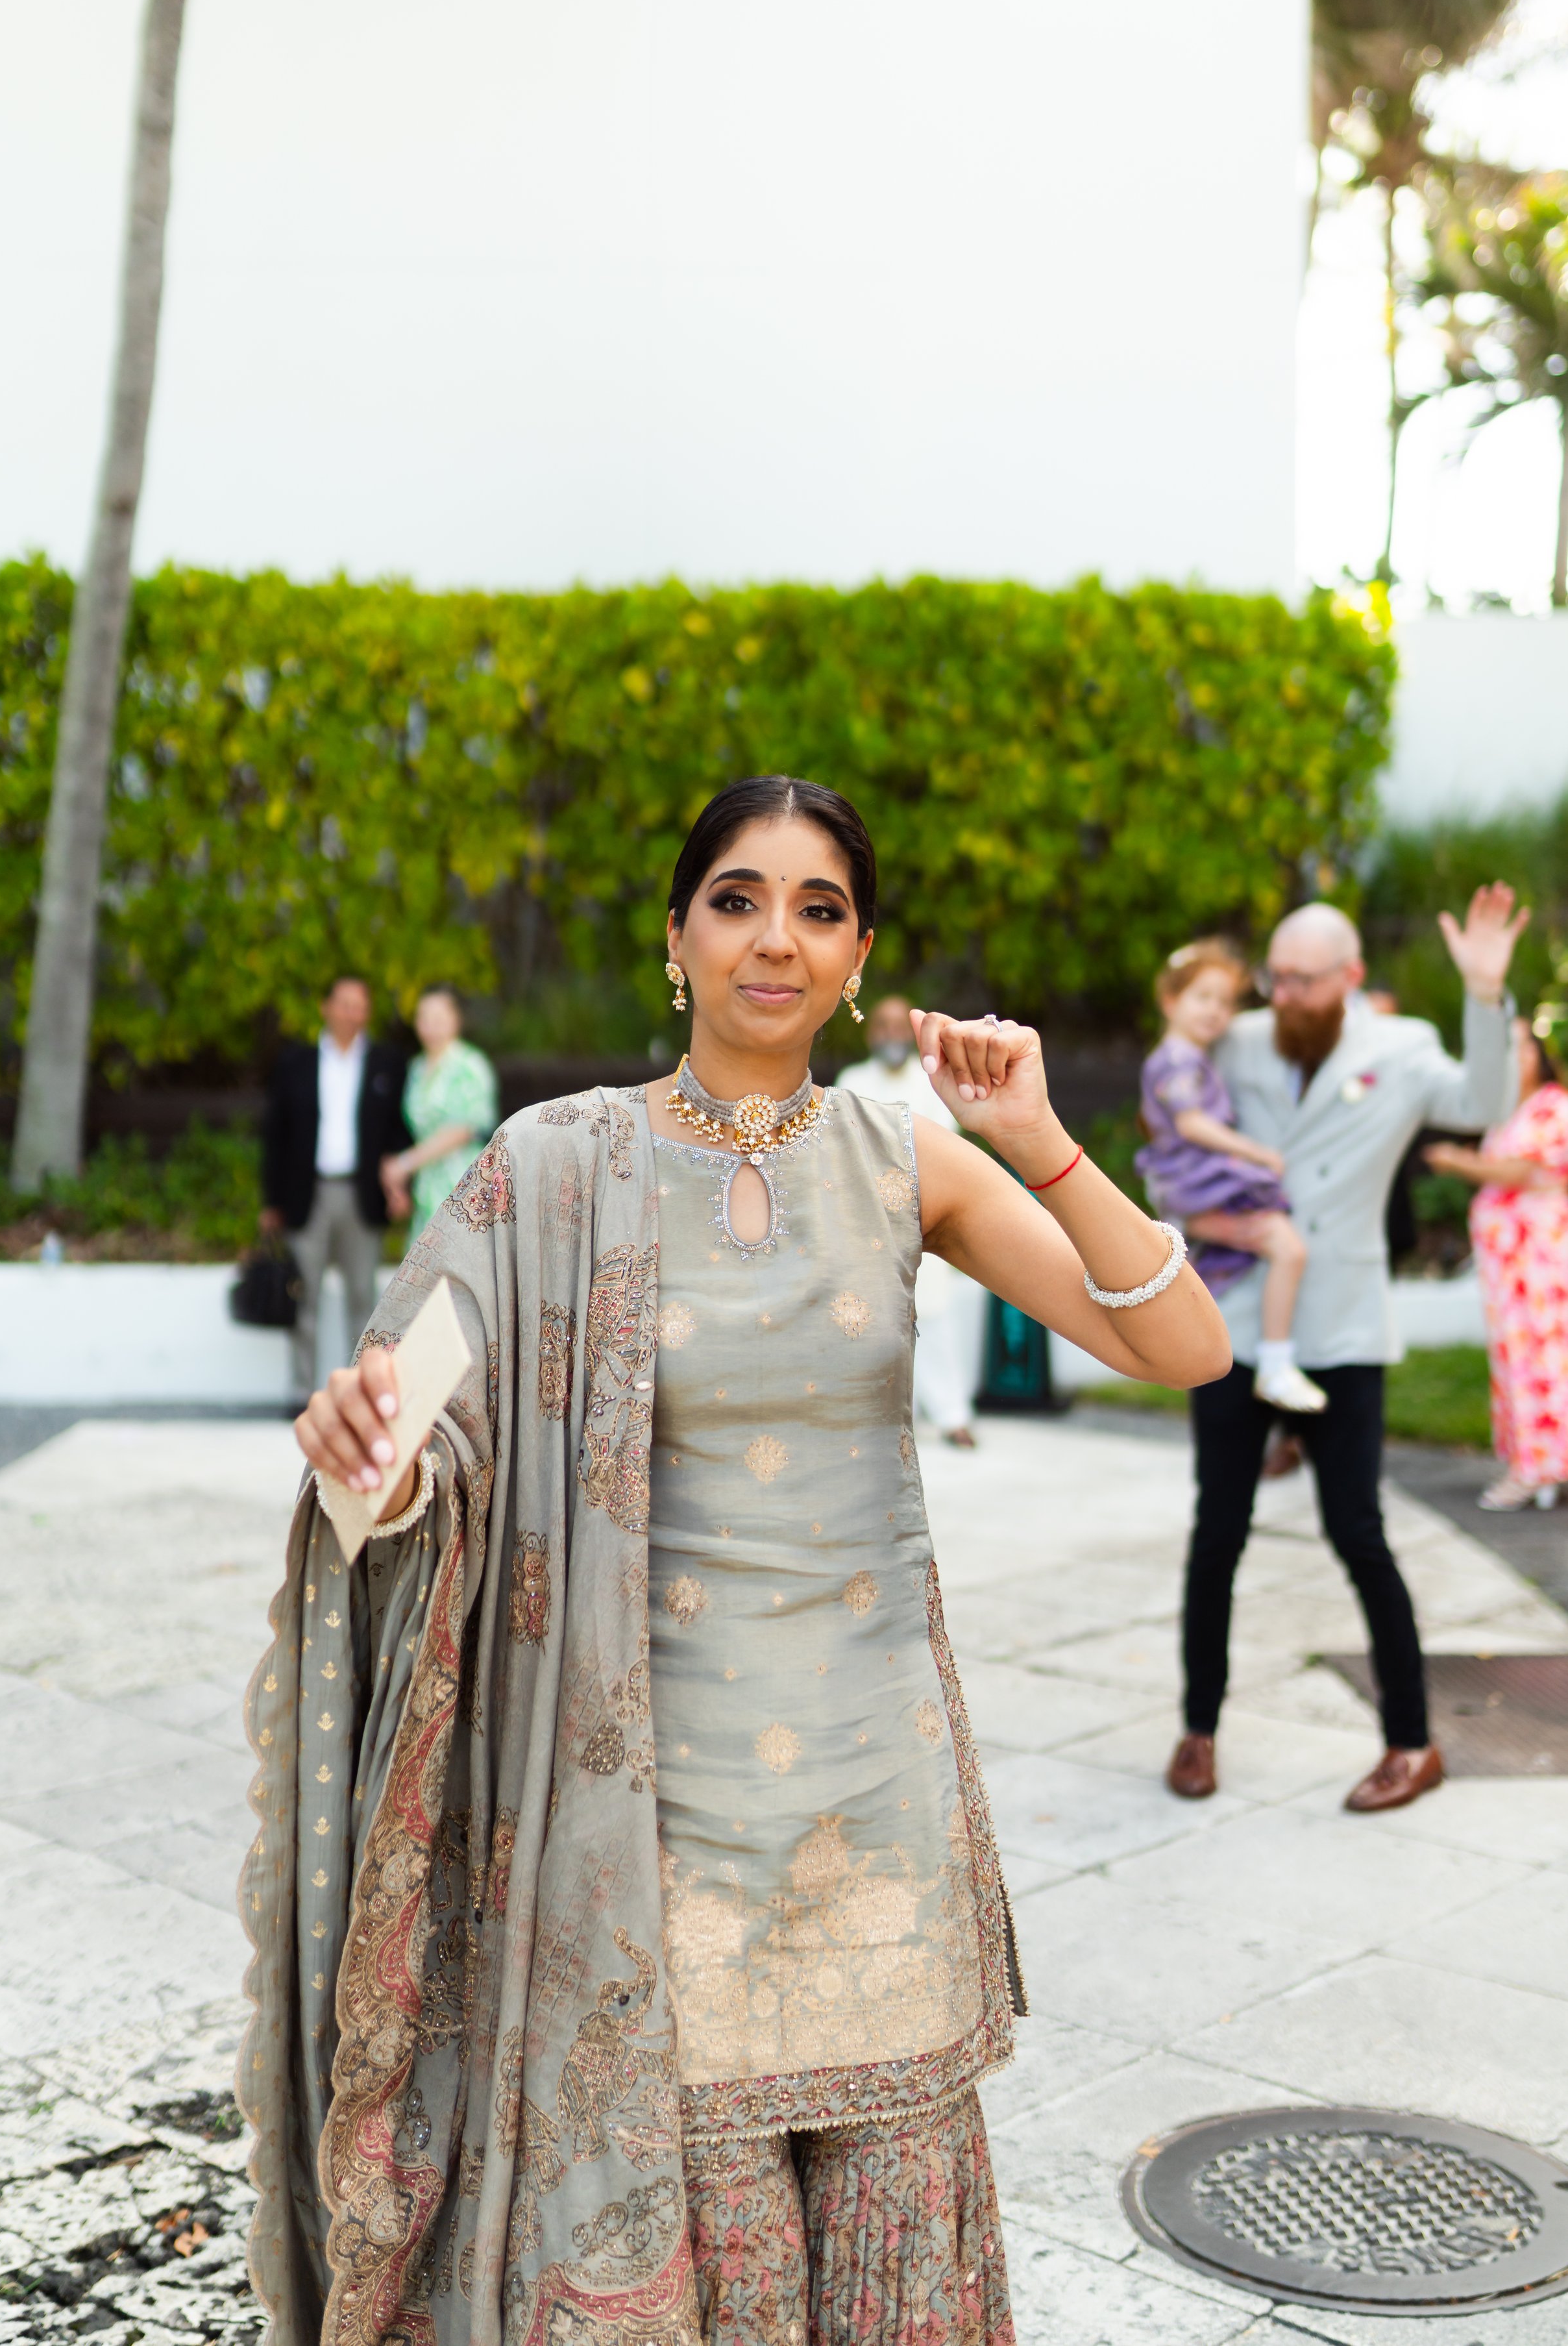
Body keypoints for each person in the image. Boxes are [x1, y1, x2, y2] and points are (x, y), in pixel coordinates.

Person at [243, 775, 1229, 2346]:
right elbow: (421, 1447)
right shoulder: (553, 1166)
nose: (777, 936)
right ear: (677, 938)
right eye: (739, 898)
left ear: (858, 958)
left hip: (882, 1815)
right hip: (656, 1845)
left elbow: (1184, 1342)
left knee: (899, 2278)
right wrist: (375, 1458)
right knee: (725, 2292)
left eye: (818, 907)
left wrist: (1034, 1135)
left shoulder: (910, 1158)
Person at [1167, 891, 1525, 1814]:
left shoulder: (1400, 1054)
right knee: (1218, 1535)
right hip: (1240, 1324)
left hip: (1343, 1331)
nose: (1282, 995)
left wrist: (1486, 994)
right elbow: (1171, 1132)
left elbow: (1485, 1102)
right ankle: (1198, 1730)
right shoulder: (1239, 1041)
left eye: (1302, 980)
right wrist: (1193, 1217)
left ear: (1350, 978)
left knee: (1357, 1533)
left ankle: (1413, 1743)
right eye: (1274, 978)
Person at [1137, 939, 1328, 1414]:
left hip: (1194, 1184)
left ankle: (1263, 1358)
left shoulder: (1188, 1057)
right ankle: (1276, 1361)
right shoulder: (1178, 1060)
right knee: (1288, 1248)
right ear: (1170, 1001)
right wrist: (1258, 1153)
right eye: (1203, 998)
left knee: (1268, 1251)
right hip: (1200, 1180)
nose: (1216, 1012)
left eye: (1224, 1003)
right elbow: (1192, 1123)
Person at [1425, 1013, 1568, 1513]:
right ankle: (1536, 1464)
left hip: (1543, 1263)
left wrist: (1456, 1160)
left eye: (1523, 1047)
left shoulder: (1553, 1107)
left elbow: (1518, 1170)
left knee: (1545, 1359)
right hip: (1510, 1265)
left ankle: (1539, 1467)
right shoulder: (1507, 1112)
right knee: (1517, 1357)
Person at [838, 993, 990, 1444]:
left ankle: (952, 1416)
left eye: (898, 1026)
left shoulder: (931, 1082)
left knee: (936, 1313)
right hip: (863, 1215)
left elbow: (944, 1146)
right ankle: (871, 1419)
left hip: (924, 1211)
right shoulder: (852, 1079)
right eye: (882, 1025)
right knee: (865, 1316)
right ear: (871, 1033)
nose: (891, 1034)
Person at [259, 974, 407, 1402]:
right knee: (304, 1294)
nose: (352, 1013)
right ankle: (300, 1389)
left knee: (364, 1295)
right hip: (310, 1194)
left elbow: (396, 1130)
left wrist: (397, 1182)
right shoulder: (297, 1062)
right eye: (344, 1004)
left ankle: (361, 1395)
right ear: (326, 1007)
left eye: (360, 1005)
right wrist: (272, 1201)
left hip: (361, 1194)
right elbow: (276, 1134)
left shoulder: (385, 1063)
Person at [380, 984, 499, 1241]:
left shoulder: (470, 1066)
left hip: (463, 1182)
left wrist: (406, 1163)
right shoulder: (416, 1069)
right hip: (426, 1186)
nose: (430, 1027)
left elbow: (464, 1129)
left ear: (456, 1020)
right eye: (424, 1019)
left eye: (439, 1020)